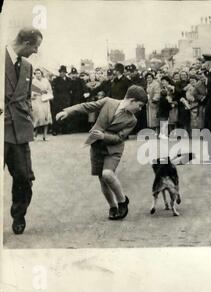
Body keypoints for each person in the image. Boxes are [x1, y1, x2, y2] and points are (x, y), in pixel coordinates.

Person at [55, 85, 148, 220]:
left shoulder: (132, 120)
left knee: (107, 174)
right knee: (102, 180)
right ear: (132, 100)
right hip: (97, 146)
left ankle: (122, 201)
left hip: (114, 149)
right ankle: (112, 207)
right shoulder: (108, 102)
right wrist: (68, 111)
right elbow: (87, 106)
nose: (139, 109)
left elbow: (120, 138)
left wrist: (103, 136)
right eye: (139, 105)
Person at [4, 27, 43, 234]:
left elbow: (26, 97)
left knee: (25, 178)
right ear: (26, 43)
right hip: (2, 128)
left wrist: (28, 115)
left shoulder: (28, 67)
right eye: (35, 46)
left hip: (20, 130)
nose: (36, 51)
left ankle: (18, 215)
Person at [31, 68, 53, 141]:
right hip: (36, 100)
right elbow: (30, 91)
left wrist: (46, 92)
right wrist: (36, 93)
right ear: (34, 74)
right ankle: (34, 135)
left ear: (41, 74)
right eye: (36, 73)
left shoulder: (46, 81)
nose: (38, 75)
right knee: (37, 117)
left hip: (45, 100)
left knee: (46, 117)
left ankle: (45, 135)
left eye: (39, 73)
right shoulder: (33, 82)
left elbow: (50, 90)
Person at [51, 65, 72, 135]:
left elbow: (71, 90)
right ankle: (55, 130)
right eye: (60, 72)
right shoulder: (56, 80)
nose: (61, 73)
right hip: (58, 100)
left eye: (63, 72)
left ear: (65, 73)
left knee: (65, 114)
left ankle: (65, 130)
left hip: (66, 100)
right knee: (57, 115)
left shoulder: (69, 80)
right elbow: (54, 91)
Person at [69, 67, 90, 132]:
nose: (74, 75)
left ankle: (82, 128)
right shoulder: (69, 81)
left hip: (80, 99)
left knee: (81, 114)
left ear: (77, 74)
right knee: (73, 114)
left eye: (75, 74)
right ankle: (74, 128)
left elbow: (85, 89)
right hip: (72, 100)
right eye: (72, 74)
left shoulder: (80, 80)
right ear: (71, 74)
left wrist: (85, 95)